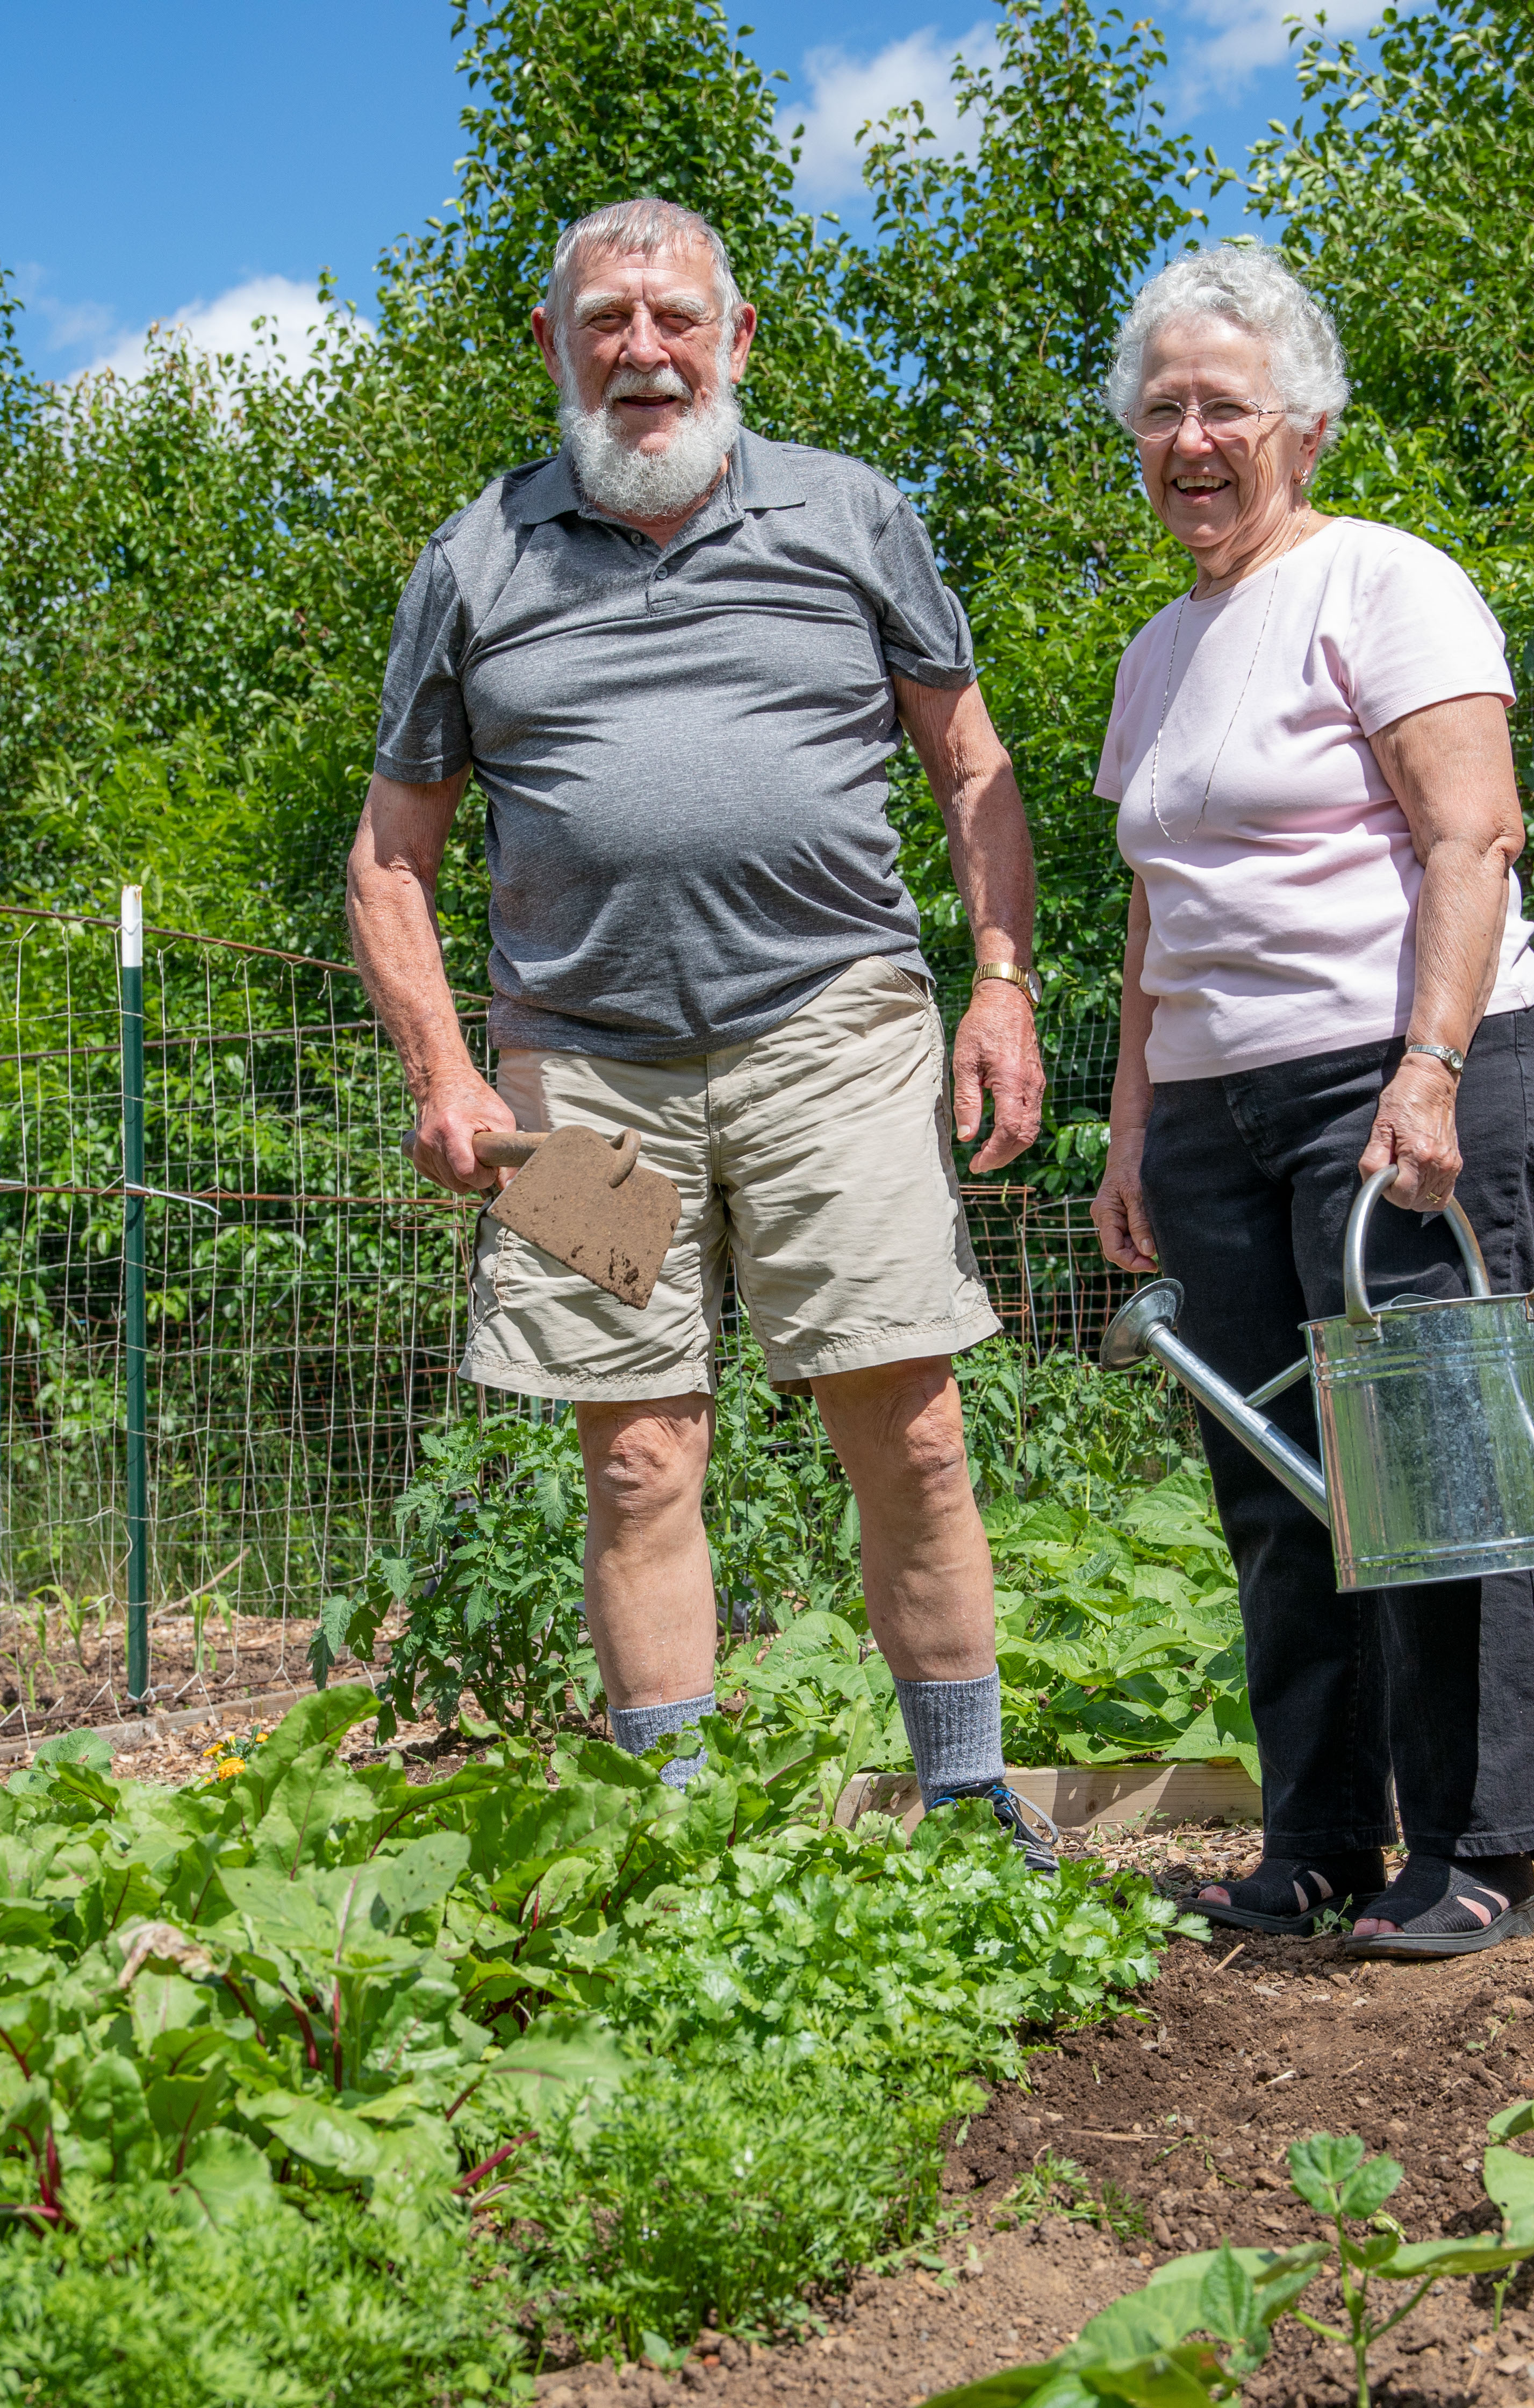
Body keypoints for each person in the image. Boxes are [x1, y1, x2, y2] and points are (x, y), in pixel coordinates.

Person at [345, 195, 1059, 1866]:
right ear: (553, 348)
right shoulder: (476, 561)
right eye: (606, 322)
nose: (643, 353)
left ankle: (967, 1798)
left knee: (913, 1424)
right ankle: (676, 1836)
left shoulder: (852, 516)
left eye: (676, 321)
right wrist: (445, 1072)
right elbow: (392, 855)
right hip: (583, 1071)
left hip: (840, 1035)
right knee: (638, 1462)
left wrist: (1004, 984)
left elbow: (975, 770)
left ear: (737, 338)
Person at [1086, 246, 1534, 1958]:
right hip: (1219, 1109)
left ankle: (1478, 1848)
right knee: (1277, 1481)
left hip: (1402, 1075)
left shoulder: (1386, 582)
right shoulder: (1158, 653)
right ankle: (1317, 1843)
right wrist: (1133, 1125)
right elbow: (1157, 911)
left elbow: (1472, 834)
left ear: (1303, 423)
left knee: (1435, 1467)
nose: (1190, 439)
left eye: (1224, 407)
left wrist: (1429, 1070)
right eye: (1161, 412)